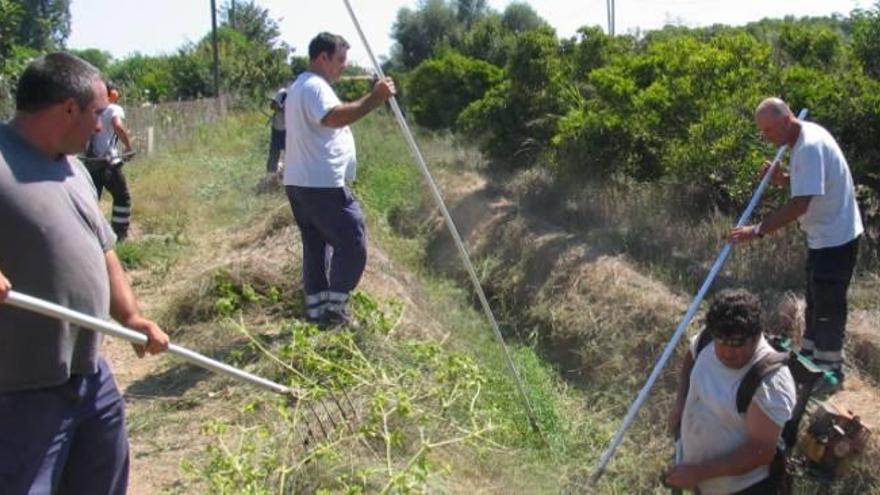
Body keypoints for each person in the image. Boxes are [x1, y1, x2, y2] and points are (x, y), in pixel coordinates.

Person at [0, 52, 170, 495]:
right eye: (97, 112)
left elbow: (104, 249)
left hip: (90, 372)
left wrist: (131, 317)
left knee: (102, 478)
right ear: (68, 108)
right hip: (22, 385)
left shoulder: (73, 166)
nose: (101, 126)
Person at [730, 97, 863, 387]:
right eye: (762, 132)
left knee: (828, 306)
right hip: (823, 236)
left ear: (787, 120)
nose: (767, 138)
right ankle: (810, 360)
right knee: (816, 300)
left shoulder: (810, 146)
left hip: (836, 236)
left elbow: (801, 203)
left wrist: (756, 230)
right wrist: (781, 179)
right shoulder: (802, 141)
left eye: (769, 131)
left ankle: (830, 373)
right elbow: (810, 182)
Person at [283, 32, 395, 326]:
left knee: (317, 245)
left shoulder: (301, 86)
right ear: (323, 58)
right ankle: (335, 311)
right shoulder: (315, 87)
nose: (344, 66)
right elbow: (333, 117)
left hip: (300, 181)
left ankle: (318, 311)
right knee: (352, 238)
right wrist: (375, 98)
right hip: (318, 184)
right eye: (340, 60)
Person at [666, 289, 797, 494]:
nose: (727, 352)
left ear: (755, 336)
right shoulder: (708, 339)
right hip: (704, 482)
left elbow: (760, 451)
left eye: (737, 344)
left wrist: (697, 472)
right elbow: (691, 356)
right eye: (722, 342)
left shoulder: (770, 380)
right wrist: (680, 402)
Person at [85, 81, 134, 241]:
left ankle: (87, 234)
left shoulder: (91, 110)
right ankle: (119, 233)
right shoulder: (113, 108)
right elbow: (118, 126)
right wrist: (128, 146)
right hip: (108, 162)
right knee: (122, 197)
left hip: (91, 162)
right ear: (113, 94)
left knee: (91, 200)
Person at [265, 86, 287, 176]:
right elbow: (272, 105)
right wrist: (283, 108)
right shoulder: (283, 93)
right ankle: (270, 176)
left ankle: (287, 175)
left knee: (291, 154)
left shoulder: (300, 95)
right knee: (274, 152)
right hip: (278, 127)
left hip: (290, 129)